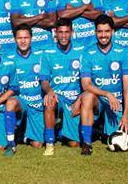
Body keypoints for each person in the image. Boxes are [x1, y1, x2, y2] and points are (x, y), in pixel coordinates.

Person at [78, 15, 128, 156]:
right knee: (87, 96)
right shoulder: (87, 53)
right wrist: (107, 94)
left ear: (113, 32)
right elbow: (86, 85)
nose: (103, 35)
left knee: (117, 136)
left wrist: (127, 113)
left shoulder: (124, 52)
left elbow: (127, 86)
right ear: (95, 32)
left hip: (117, 102)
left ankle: (100, 129)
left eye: (107, 31)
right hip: (99, 98)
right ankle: (86, 143)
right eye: (100, 31)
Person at [38, 18, 86, 155]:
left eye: (66, 32)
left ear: (72, 32)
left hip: (75, 99)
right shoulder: (47, 53)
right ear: (55, 33)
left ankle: (60, 130)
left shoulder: (81, 50)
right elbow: (44, 81)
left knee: (74, 144)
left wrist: (81, 98)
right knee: (49, 101)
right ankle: (50, 142)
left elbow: (87, 81)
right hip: (58, 97)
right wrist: (49, 91)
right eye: (60, 32)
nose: (63, 36)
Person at [3, 25, 48, 155]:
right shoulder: (8, 59)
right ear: (14, 39)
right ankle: (11, 143)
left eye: (26, 38)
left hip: (36, 105)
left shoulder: (41, 56)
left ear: (31, 38)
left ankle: (24, 134)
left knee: (37, 145)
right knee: (11, 102)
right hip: (20, 102)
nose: (23, 41)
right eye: (19, 38)